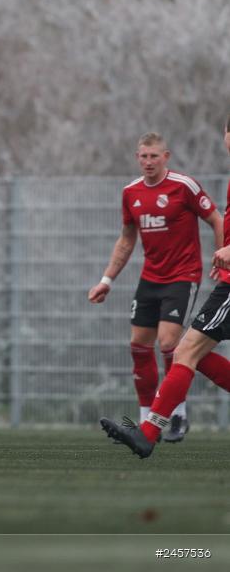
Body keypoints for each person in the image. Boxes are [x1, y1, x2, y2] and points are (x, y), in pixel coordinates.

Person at [102, 117, 230, 457]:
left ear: (165, 156)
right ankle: (148, 426)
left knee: (181, 348)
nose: (147, 161)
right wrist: (106, 279)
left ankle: (152, 430)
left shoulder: (183, 185)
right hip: (154, 280)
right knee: (186, 352)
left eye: (153, 155)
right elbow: (126, 239)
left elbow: (216, 219)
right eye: (142, 156)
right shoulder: (131, 192)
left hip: (191, 278)